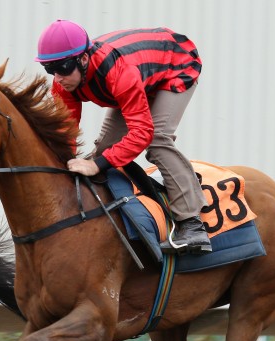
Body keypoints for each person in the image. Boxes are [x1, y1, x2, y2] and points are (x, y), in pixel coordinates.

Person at [35, 20, 210, 254]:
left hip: (176, 64)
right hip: (141, 73)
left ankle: (192, 225)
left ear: (83, 59)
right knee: (106, 149)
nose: (57, 78)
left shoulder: (118, 72)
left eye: (63, 68)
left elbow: (142, 133)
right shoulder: (63, 83)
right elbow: (67, 131)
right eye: (50, 69)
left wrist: (96, 164)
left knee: (157, 140)